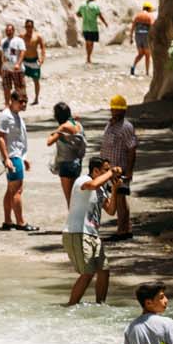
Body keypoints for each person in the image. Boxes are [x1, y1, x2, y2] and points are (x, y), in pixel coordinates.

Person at [62, 157, 119, 305]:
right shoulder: (83, 180)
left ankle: (101, 305)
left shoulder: (101, 189)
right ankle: (70, 307)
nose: (108, 173)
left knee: (104, 271)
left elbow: (111, 210)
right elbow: (93, 184)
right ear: (95, 171)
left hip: (93, 234)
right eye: (105, 170)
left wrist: (115, 190)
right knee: (87, 273)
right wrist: (112, 172)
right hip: (77, 233)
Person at [100, 94, 138, 238]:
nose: (114, 111)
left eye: (118, 109)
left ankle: (124, 230)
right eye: (113, 109)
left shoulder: (126, 127)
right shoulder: (110, 124)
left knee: (121, 198)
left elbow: (132, 150)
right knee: (119, 198)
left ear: (123, 111)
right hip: (110, 171)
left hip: (120, 170)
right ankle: (124, 228)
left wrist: (129, 171)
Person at [0, 89, 29, 230]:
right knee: (17, 190)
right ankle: (21, 222)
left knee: (10, 190)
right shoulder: (6, 116)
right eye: (21, 102)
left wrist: (24, 158)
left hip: (17, 156)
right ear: (12, 101)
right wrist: (6, 158)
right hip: (12, 157)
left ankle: (8, 221)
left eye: (25, 102)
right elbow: (0, 137)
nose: (23, 105)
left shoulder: (15, 115)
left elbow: (18, 139)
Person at [47, 102, 86, 206]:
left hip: (66, 164)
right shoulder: (76, 124)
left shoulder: (63, 128)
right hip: (77, 162)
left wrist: (55, 133)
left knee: (70, 199)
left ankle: (73, 221)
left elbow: (49, 142)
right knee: (76, 196)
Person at [0, 22, 27, 101]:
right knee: (6, 87)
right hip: (6, 68)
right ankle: (7, 104)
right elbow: (1, 54)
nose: (8, 32)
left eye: (10, 30)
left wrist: (18, 64)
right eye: (7, 30)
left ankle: (21, 103)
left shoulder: (19, 40)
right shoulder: (3, 41)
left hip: (17, 69)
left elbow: (22, 52)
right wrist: (0, 67)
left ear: (13, 31)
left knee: (19, 87)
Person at [129, 1, 156, 77]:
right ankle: (147, 72)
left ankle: (133, 66)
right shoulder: (150, 16)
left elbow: (133, 27)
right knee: (147, 54)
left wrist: (131, 37)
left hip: (138, 36)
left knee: (140, 53)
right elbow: (152, 27)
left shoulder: (138, 16)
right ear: (149, 9)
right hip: (146, 36)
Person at [22, 19, 45, 104]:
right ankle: (24, 97)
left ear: (33, 27)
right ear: (25, 27)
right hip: (24, 61)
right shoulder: (21, 36)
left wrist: (42, 59)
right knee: (21, 80)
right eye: (27, 26)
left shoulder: (37, 36)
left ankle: (36, 98)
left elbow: (43, 48)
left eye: (30, 26)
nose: (29, 28)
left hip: (34, 60)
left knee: (36, 80)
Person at [77, 0, 103, 64]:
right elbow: (100, 15)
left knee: (87, 42)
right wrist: (105, 23)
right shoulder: (95, 6)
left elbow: (78, 14)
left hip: (85, 27)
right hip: (93, 27)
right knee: (91, 43)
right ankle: (89, 57)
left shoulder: (82, 5)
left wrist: (85, 16)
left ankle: (87, 57)